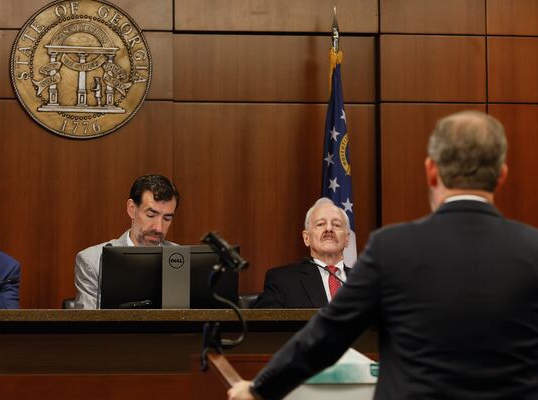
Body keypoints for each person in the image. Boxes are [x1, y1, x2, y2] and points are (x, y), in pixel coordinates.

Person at [229, 110, 538, 400]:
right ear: (501, 175)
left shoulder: (392, 248)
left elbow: (327, 336)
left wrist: (260, 389)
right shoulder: (533, 250)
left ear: (431, 171)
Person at [74, 174, 180, 309]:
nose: (158, 228)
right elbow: (88, 325)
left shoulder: (182, 258)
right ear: (132, 209)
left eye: (167, 218)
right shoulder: (92, 261)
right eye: (151, 215)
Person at [253, 198, 352, 308]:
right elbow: (263, 322)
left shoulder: (369, 282)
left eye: (337, 225)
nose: (329, 229)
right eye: (320, 224)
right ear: (306, 238)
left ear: (347, 238)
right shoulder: (282, 280)